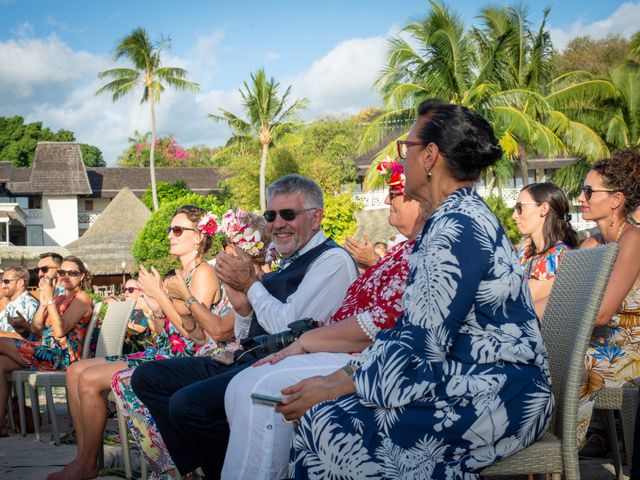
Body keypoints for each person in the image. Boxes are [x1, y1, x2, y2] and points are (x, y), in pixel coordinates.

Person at [282, 100, 553, 479]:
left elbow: (422, 343)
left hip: (500, 394)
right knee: (324, 414)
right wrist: (341, 378)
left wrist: (337, 385)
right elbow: (416, 334)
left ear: (429, 157)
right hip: (471, 378)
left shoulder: (457, 227)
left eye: (405, 149)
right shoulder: (451, 219)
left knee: (328, 423)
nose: (402, 159)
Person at [130, 174, 358, 479]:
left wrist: (251, 285)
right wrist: (242, 308)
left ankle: (222, 470)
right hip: (246, 358)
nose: (278, 224)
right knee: (147, 377)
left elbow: (289, 328)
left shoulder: (332, 261)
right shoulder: (287, 262)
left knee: (188, 405)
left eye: (288, 214)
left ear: (316, 218)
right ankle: (195, 467)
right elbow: (247, 331)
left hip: (283, 366)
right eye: (271, 215)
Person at [222, 159, 425, 479]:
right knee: (231, 387)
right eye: (271, 215)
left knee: (256, 389)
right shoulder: (406, 250)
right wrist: (246, 304)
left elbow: (383, 320)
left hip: (375, 356)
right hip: (338, 346)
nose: (387, 200)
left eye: (396, 193)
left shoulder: (422, 250)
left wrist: (306, 339)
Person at [47, 205, 221, 480]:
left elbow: (194, 335)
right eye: (170, 230)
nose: (170, 236)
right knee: (75, 371)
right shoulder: (178, 274)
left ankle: (89, 463)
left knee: (90, 379)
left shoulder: (203, 273)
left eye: (178, 230)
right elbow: (169, 328)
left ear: (199, 237)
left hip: (184, 359)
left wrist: (160, 298)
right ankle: (84, 455)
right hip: (164, 350)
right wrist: (155, 310)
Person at [109, 209, 271, 479]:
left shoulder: (258, 280)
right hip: (216, 352)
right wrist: (158, 307)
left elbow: (217, 333)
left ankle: (184, 469)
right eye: (222, 244)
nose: (222, 251)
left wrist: (174, 297)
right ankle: (186, 467)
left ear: (245, 247)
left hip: (234, 358)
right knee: (138, 378)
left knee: (131, 381)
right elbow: (196, 333)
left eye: (227, 244)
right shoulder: (232, 279)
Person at [0, 255, 93, 437]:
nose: (65, 276)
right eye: (62, 272)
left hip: (62, 356)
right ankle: (0, 424)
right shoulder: (58, 299)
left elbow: (59, 331)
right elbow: (36, 329)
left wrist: (49, 299)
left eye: (71, 273)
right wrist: (44, 304)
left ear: (82, 276)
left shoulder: (82, 299)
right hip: (43, 350)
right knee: (1, 364)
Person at [578, 149, 640, 404]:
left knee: (558, 369)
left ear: (616, 200)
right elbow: (561, 297)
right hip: (598, 344)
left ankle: (568, 441)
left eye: (589, 191)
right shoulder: (591, 245)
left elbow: (602, 313)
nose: (581, 197)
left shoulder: (633, 240)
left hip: (631, 351)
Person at [513, 182, 578, 316]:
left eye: (520, 207)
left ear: (543, 209)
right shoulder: (527, 254)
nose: (514, 215)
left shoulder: (558, 256)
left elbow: (520, 300)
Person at [0, 266, 39, 339]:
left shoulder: (28, 304)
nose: (2, 285)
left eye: (6, 281)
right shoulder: (14, 303)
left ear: (20, 282)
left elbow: (25, 338)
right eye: (2, 281)